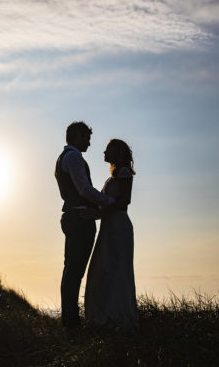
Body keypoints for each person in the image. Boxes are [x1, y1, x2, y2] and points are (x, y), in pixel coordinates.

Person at [55, 122, 116, 330]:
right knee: (74, 272)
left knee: (71, 270)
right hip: (79, 218)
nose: (89, 143)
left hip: (74, 216)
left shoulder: (65, 157)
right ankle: (71, 323)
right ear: (77, 136)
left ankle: (69, 321)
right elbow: (84, 189)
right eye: (87, 138)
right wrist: (109, 202)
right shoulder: (73, 157)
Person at [84, 139, 138, 330]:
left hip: (118, 227)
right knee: (103, 267)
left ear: (116, 152)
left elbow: (124, 201)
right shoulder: (111, 178)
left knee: (115, 267)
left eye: (107, 150)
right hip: (108, 226)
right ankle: (103, 314)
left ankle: (118, 316)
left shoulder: (124, 173)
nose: (103, 153)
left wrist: (100, 213)